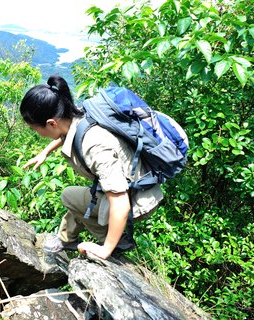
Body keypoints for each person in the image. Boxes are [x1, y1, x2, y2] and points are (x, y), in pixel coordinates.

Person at [20, 74, 163, 259]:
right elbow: (66, 133)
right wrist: (44, 152)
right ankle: (66, 239)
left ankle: (115, 245)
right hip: (136, 186)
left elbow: (120, 202)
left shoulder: (94, 146)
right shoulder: (77, 115)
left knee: (69, 196)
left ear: (51, 123)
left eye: (34, 128)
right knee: (78, 198)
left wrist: (105, 251)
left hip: (137, 199)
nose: (35, 133)